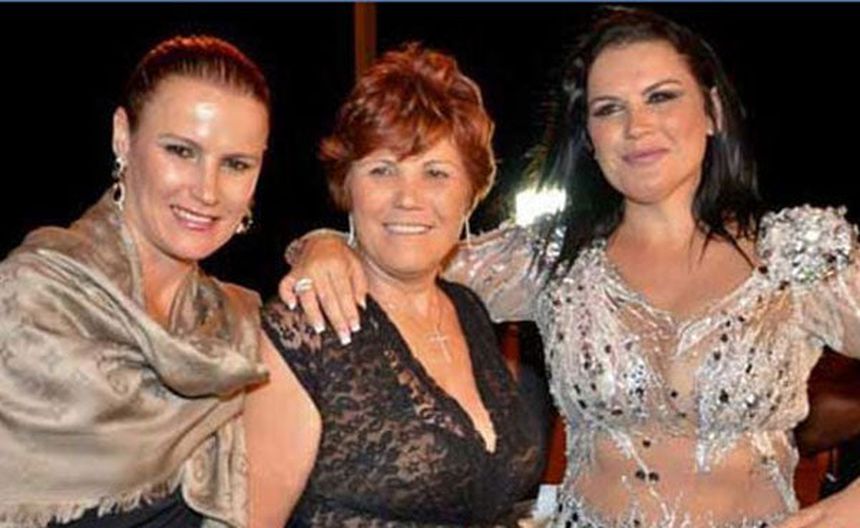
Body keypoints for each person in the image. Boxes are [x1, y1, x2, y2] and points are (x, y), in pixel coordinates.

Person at [280, 7, 860, 528]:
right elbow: (403, 253)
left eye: (661, 97)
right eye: (609, 109)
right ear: (589, 135)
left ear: (711, 111)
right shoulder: (551, 260)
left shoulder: (797, 255)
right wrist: (325, 244)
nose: (637, 126)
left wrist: (849, 507)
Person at [244, 43, 546, 527]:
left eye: (436, 173)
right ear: (347, 186)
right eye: (383, 170)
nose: (409, 198)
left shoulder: (468, 309)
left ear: (471, 193)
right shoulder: (304, 330)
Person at [0, 35, 270, 527]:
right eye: (181, 151)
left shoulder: (238, 326)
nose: (207, 191)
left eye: (235, 164)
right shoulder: (31, 301)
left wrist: (329, 245)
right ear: (123, 138)